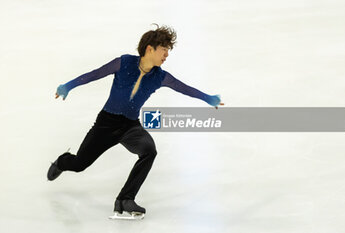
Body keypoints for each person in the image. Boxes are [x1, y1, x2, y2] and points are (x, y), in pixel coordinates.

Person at [47, 24, 224, 219]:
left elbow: (184, 88)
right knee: (80, 164)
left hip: (130, 126)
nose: (166, 55)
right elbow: (95, 74)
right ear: (150, 49)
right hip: (106, 124)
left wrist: (208, 98)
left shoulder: (161, 77)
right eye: (164, 50)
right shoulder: (123, 63)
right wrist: (68, 86)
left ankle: (125, 199)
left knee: (149, 151)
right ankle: (62, 161)